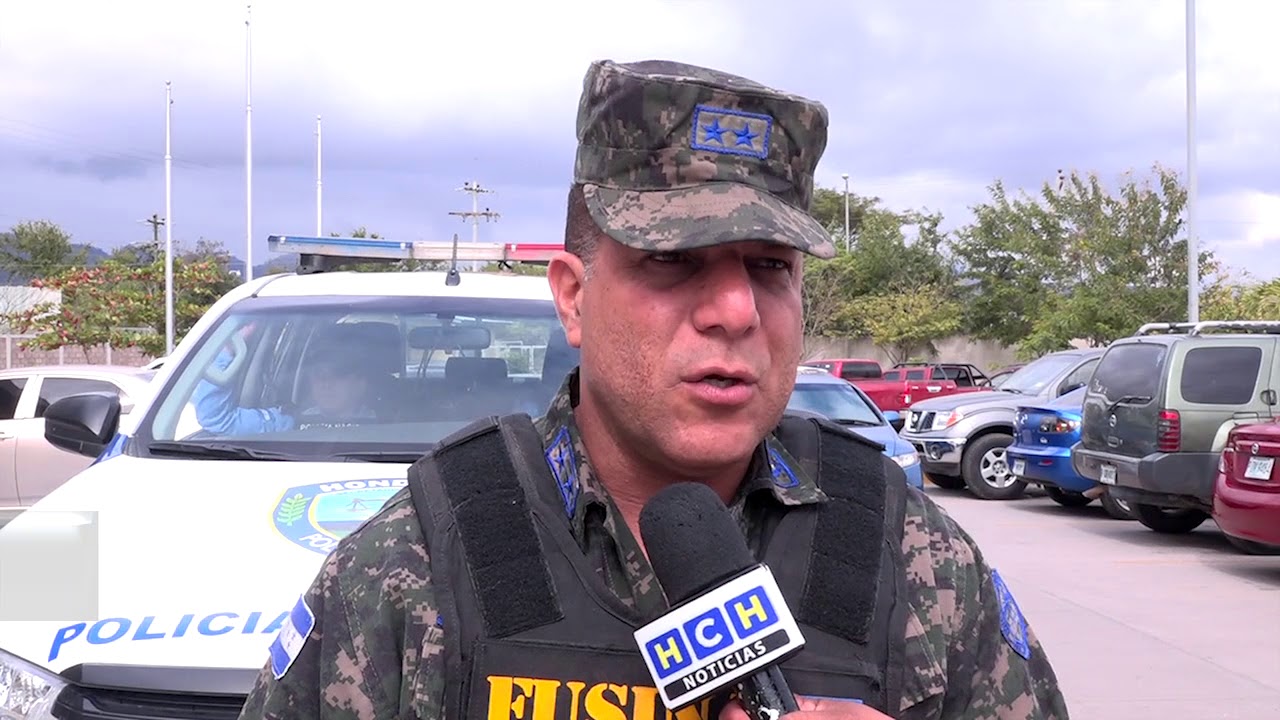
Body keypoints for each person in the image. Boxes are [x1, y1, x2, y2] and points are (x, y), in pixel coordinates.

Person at [237, 59, 1070, 720]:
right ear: (573, 297)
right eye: (672, 261)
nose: (736, 310)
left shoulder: (912, 558)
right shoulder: (416, 564)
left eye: (769, 267)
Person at [192, 326, 377, 435]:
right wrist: (229, 350)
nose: (325, 383)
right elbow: (216, 419)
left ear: (361, 383)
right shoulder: (288, 421)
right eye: (318, 374)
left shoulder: (385, 425)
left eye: (338, 374)